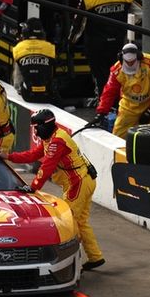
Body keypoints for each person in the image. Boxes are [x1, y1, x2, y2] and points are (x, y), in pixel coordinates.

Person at [6, 110, 104, 270]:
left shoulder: (57, 141)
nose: (35, 132)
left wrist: (32, 187)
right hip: (82, 181)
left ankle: (69, 262)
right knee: (80, 222)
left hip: (77, 184)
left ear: (45, 125)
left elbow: (47, 167)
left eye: (36, 127)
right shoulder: (51, 137)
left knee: (68, 223)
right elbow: (32, 155)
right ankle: (95, 257)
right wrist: (9, 156)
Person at [70, 0, 134, 100]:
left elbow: (78, 24)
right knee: (118, 71)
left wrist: (71, 41)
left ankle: (104, 102)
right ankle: (119, 99)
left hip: (96, 44)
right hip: (118, 41)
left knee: (100, 75)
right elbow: (139, 13)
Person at [95, 43, 150, 139]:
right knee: (117, 139)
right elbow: (109, 91)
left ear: (139, 57)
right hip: (129, 107)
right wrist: (101, 112)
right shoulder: (116, 70)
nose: (130, 64)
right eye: (127, 62)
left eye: (132, 62)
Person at [12, 18, 58, 105]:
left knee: (18, 64)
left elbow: (17, 81)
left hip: (27, 95)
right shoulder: (50, 47)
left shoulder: (18, 47)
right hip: (47, 94)